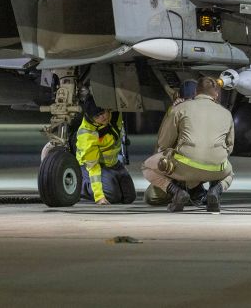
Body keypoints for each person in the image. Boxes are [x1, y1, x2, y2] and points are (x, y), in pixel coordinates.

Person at [142, 76, 234, 212]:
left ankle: (177, 192)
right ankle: (215, 191)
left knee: (146, 167)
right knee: (229, 173)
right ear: (216, 94)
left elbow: (163, 144)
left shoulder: (180, 109)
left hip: (182, 168)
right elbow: (229, 147)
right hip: (215, 169)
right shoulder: (226, 114)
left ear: (196, 92)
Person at [143, 80, 208, 207]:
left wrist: (174, 112)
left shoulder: (181, 112)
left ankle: (187, 191)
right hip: (193, 170)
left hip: (187, 171)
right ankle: (197, 193)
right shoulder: (208, 112)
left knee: (150, 189)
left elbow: (162, 145)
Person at [76, 98, 136, 205]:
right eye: (97, 115)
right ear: (91, 117)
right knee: (112, 196)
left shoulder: (115, 116)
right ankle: (79, 186)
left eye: (104, 112)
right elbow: (93, 167)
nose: (103, 117)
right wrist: (99, 197)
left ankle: (110, 181)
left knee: (129, 197)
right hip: (91, 166)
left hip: (113, 164)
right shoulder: (87, 134)